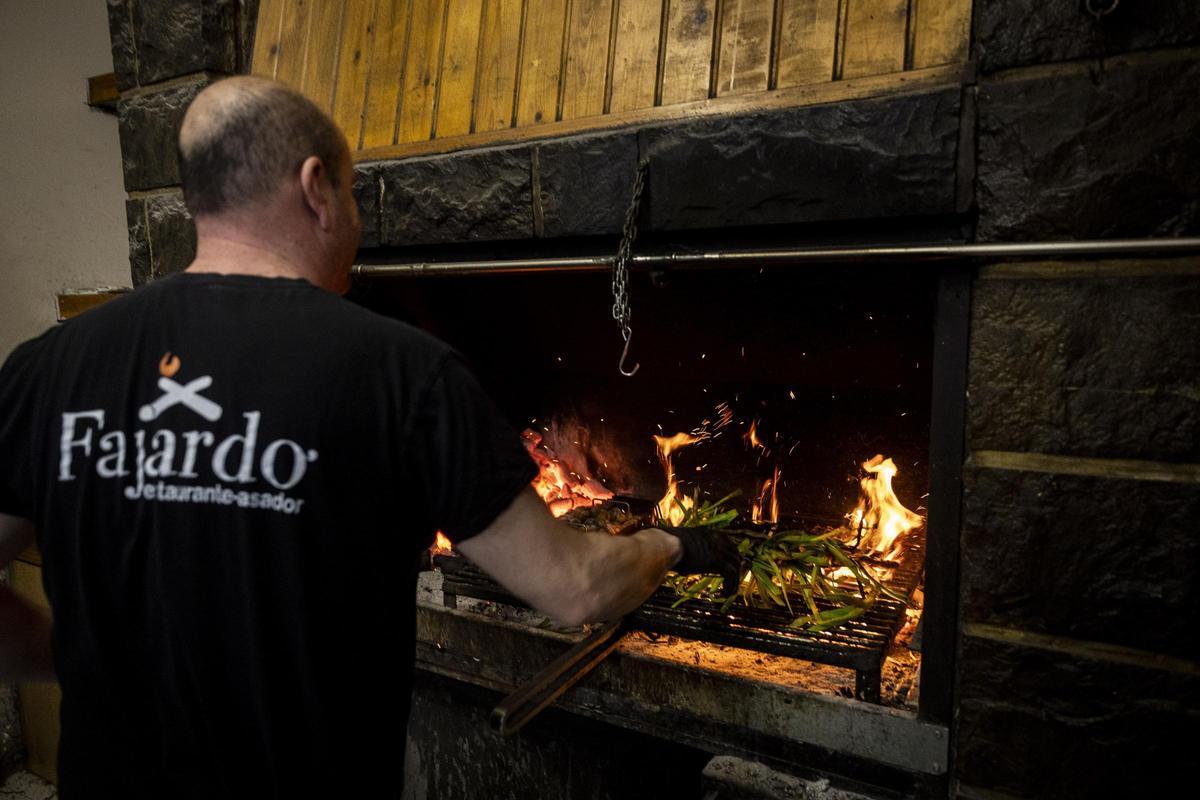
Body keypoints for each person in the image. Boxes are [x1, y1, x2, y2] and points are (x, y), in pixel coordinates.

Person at [0, 76, 736, 797]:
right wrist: (671, 544)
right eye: (353, 194)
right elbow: (575, 589)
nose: (353, 218)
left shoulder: (49, 365)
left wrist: (72, 658)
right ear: (317, 187)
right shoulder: (400, 371)